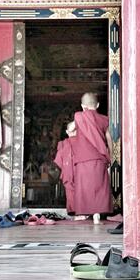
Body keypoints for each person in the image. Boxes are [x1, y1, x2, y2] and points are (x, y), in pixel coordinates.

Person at [70, 92, 113, 224]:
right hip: (99, 157)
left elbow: (71, 129)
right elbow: (109, 138)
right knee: (99, 186)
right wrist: (110, 154)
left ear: (83, 106)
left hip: (83, 158)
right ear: (98, 105)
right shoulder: (104, 120)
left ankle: (85, 212)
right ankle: (97, 213)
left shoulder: (79, 117)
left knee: (85, 186)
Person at [54, 121, 78, 214]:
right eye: (72, 130)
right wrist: (66, 167)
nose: (74, 132)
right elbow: (59, 160)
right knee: (70, 192)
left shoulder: (83, 142)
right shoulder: (63, 144)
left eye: (76, 130)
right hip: (68, 170)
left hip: (80, 170)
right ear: (67, 132)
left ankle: (82, 210)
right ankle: (72, 210)